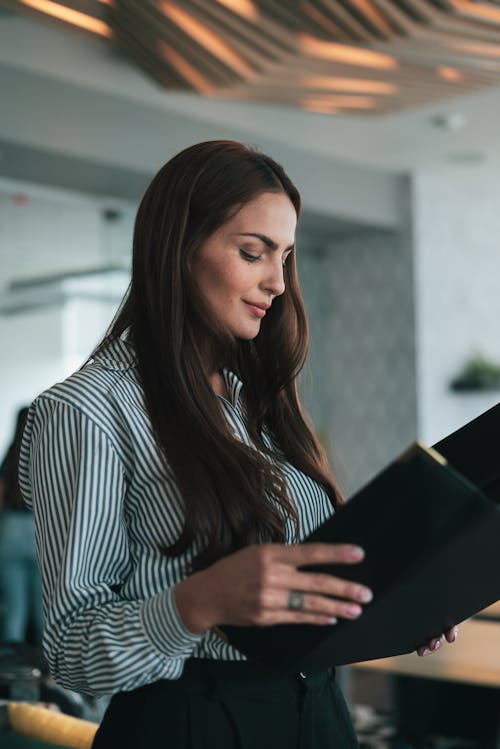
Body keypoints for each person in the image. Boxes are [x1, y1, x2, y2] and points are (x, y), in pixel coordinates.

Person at [18, 141, 456, 748]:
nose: (277, 282)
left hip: (319, 712)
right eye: (252, 252)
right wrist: (196, 603)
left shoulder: (256, 401)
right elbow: (72, 653)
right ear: (177, 248)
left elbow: (290, 592)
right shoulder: (87, 410)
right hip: (192, 723)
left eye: (286, 257)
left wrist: (383, 607)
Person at [0, 406, 44, 644]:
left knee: (13, 610)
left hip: (10, 529)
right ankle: (47, 671)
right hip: (39, 530)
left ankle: (13, 672)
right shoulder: (45, 455)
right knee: (43, 610)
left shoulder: (9, 455)